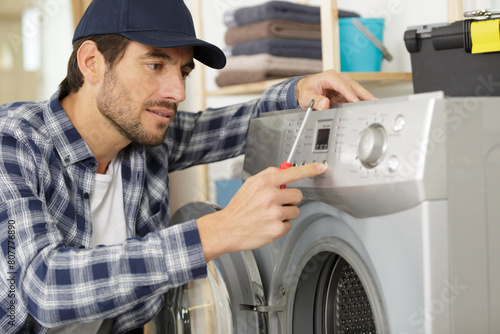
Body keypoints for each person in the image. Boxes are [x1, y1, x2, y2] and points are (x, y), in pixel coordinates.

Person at [0, 0, 375, 333]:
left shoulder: (145, 138)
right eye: (155, 64)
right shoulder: (14, 140)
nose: (177, 92)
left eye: (182, 71)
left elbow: (231, 126)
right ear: (92, 63)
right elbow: (43, 288)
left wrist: (298, 92)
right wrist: (218, 231)